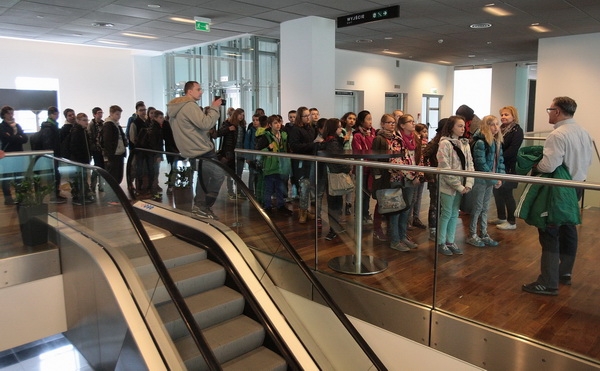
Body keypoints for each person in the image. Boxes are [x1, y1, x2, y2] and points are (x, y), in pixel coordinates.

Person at [522, 96, 593, 296]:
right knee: (568, 228)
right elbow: (587, 162)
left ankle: (548, 282)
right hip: (577, 185)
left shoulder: (557, 135)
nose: (549, 112)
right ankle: (564, 273)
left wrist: (535, 164)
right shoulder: (584, 132)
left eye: (550, 109)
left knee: (549, 231)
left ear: (558, 112)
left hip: (559, 189)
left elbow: (549, 165)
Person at [168, 81, 223, 219]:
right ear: (189, 91)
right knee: (218, 175)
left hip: (191, 150)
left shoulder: (176, 108)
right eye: (198, 89)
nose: (201, 92)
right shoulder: (189, 106)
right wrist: (215, 108)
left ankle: (200, 207)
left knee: (204, 178)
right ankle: (203, 206)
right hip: (201, 150)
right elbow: (206, 124)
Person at [436, 115, 474, 256]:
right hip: (448, 186)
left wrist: (469, 182)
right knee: (446, 213)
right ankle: (441, 242)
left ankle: (450, 241)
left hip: (462, 186)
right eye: (459, 126)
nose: (462, 128)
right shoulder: (444, 144)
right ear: (451, 127)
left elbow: (470, 164)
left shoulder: (465, 143)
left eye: (464, 126)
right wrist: (458, 186)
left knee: (454, 214)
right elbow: (444, 167)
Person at [466, 115, 505, 247]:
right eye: (492, 124)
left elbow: (500, 162)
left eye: (497, 124)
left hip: (490, 179)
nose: (495, 127)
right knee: (477, 208)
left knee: (485, 208)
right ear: (485, 126)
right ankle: (472, 234)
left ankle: (483, 233)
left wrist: (500, 177)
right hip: (481, 180)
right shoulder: (481, 142)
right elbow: (481, 163)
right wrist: (494, 179)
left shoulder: (496, 142)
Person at [387, 114, 423, 252]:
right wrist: (411, 176)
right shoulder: (396, 140)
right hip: (398, 179)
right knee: (396, 209)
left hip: (412, 178)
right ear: (402, 125)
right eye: (410, 122)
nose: (413, 124)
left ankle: (403, 237)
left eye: (413, 121)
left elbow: (420, 158)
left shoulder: (415, 139)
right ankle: (395, 240)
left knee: (407, 209)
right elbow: (396, 161)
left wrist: (419, 174)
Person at [493, 106, 524, 230]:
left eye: (506, 114)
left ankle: (511, 221)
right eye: (502, 115)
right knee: (497, 192)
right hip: (498, 166)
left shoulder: (517, 130)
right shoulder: (500, 129)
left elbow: (512, 150)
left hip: (508, 166)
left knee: (507, 193)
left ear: (513, 116)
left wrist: (498, 159)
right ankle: (501, 217)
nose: (503, 117)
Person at [319, 118, 351, 240]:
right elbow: (336, 161)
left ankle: (335, 227)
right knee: (334, 203)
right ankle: (333, 229)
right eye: (338, 127)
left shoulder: (333, 141)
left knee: (336, 201)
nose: (341, 129)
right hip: (334, 175)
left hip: (331, 174)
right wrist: (347, 168)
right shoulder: (333, 142)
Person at [255, 115, 293, 216]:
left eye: (279, 122)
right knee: (269, 188)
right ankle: (267, 207)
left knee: (280, 187)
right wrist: (268, 148)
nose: (278, 125)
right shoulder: (266, 136)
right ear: (270, 125)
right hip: (270, 166)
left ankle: (280, 205)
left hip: (281, 166)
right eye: (275, 123)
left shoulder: (284, 135)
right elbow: (259, 151)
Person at [288, 106, 316, 223]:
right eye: (306, 116)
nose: (308, 117)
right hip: (300, 162)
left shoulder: (310, 129)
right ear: (301, 117)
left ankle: (306, 210)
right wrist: (313, 144)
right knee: (304, 186)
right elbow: (295, 146)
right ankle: (303, 212)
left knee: (308, 186)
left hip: (310, 161)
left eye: (309, 115)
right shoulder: (295, 130)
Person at [370, 114, 396, 242]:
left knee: (391, 201)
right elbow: (374, 157)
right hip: (382, 173)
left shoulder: (395, 138)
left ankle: (390, 228)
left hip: (392, 173)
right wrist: (377, 174)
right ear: (383, 124)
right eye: (389, 122)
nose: (392, 125)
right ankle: (377, 228)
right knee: (381, 201)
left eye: (393, 122)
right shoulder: (379, 138)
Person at [422, 118, 449, 241]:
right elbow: (425, 157)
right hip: (435, 178)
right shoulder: (434, 143)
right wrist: (430, 175)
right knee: (435, 204)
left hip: (445, 178)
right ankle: (433, 229)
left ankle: (441, 228)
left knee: (444, 205)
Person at [38, 106, 67, 203]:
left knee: (56, 174)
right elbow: (48, 143)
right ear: (51, 114)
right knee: (54, 175)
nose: (57, 116)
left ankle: (56, 193)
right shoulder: (48, 127)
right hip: (52, 155)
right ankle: (54, 196)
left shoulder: (51, 126)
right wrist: (52, 154)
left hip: (55, 154)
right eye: (56, 114)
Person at [352, 110, 376, 225]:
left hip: (371, 168)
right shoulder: (357, 135)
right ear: (361, 121)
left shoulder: (374, 133)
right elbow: (359, 151)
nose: (370, 122)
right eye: (368, 119)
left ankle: (366, 213)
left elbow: (375, 148)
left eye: (371, 119)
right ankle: (359, 214)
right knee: (362, 193)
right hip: (362, 168)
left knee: (368, 192)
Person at [216, 108, 246, 200]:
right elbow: (219, 133)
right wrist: (228, 129)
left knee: (239, 173)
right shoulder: (228, 123)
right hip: (230, 151)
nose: (241, 116)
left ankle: (239, 191)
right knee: (230, 173)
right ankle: (230, 191)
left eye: (243, 115)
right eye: (240, 114)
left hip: (240, 151)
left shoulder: (242, 125)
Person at [1, 105, 28, 204]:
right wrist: (18, 137)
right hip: (7, 156)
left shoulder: (17, 125)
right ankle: (8, 199)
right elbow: (8, 139)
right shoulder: (2, 126)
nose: (11, 115)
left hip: (18, 155)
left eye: (12, 112)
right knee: (7, 177)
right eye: (8, 113)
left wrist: (14, 137)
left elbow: (25, 139)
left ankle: (20, 197)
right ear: (4, 115)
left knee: (19, 177)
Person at [67, 113, 95, 204]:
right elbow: (74, 147)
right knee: (79, 179)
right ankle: (79, 197)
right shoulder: (76, 131)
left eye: (87, 120)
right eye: (84, 120)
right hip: (78, 160)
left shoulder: (83, 131)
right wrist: (81, 159)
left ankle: (83, 196)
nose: (86, 122)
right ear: (78, 121)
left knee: (83, 179)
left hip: (83, 160)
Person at [102, 105, 127, 205]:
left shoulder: (116, 125)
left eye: (120, 114)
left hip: (119, 154)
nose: (119, 116)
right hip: (114, 155)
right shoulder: (109, 125)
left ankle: (115, 197)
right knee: (113, 176)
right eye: (117, 114)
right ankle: (110, 198)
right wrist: (110, 155)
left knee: (118, 176)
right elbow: (107, 141)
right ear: (111, 114)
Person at [408, 123, 429, 230]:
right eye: (423, 131)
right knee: (413, 197)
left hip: (423, 172)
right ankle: (409, 219)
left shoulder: (426, 143)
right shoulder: (416, 143)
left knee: (419, 196)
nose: (425, 134)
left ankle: (416, 217)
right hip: (417, 172)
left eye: (426, 131)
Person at [340, 111, 356, 216]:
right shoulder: (341, 131)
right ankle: (340, 203)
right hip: (343, 159)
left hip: (353, 159)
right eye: (350, 118)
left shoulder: (355, 132)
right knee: (342, 182)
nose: (352, 121)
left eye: (354, 119)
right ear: (345, 119)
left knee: (351, 182)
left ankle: (348, 204)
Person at [88, 107, 105, 193]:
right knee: (97, 167)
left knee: (102, 168)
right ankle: (93, 185)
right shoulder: (91, 125)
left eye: (101, 112)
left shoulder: (103, 123)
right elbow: (90, 138)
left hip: (102, 150)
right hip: (96, 150)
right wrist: (94, 148)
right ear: (94, 114)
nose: (100, 114)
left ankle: (101, 185)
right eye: (99, 113)